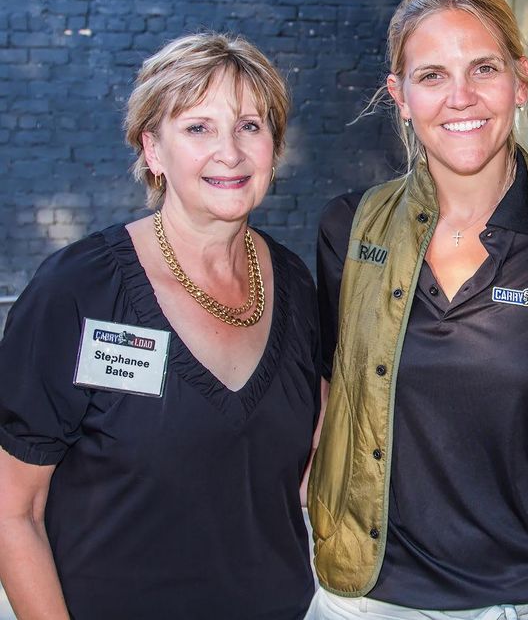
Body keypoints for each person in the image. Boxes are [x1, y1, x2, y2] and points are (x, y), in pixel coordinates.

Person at [308, 0, 528, 620]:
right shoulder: (350, 230)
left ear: (520, 81)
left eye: (483, 69)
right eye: (431, 75)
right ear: (399, 96)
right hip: (370, 600)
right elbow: (335, 394)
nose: (460, 97)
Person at [0, 33, 320, 619]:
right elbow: (11, 510)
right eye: (198, 127)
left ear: (274, 148)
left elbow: (295, 475)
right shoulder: (78, 293)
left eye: (250, 126)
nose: (230, 152)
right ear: (153, 148)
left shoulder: (297, 286)